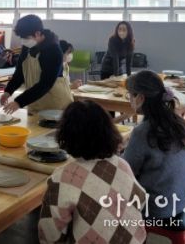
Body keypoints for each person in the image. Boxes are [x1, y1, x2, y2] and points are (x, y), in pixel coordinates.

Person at [38, 100, 147, 244]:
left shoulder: (62, 177)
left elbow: (50, 234)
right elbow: (141, 198)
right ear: (109, 130)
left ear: (66, 135)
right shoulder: (122, 164)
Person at [124, 71, 185, 220]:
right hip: (182, 200)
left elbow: (126, 172)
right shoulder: (179, 123)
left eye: (129, 95)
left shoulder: (142, 132)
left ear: (140, 98)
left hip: (156, 209)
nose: (129, 99)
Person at [1, 15, 72, 114]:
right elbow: (19, 73)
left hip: (55, 104)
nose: (23, 41)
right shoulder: (27, 47)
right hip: (35, 101)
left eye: (25, 37)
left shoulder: (53, 51)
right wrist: (8, 91)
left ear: (38, 33)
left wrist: (19, 102)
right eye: (21, 37)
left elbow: (45, 84)